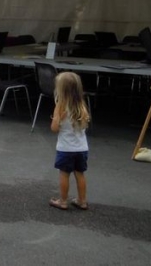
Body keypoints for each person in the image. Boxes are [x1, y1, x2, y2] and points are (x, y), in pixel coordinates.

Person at [49, 71, 90, 211]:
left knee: (64, 174)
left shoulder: (60, 106)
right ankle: (82, 201)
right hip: (82, 148)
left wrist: (56, 120)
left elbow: (54, 128)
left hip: (66, 149)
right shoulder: (82, 105)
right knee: (80, 174)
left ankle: (63, 201)